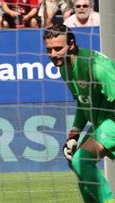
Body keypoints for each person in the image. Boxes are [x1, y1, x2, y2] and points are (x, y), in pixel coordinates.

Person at [44, 24, 115, 203]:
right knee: (77, 163)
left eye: (58, 48)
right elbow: (83, 102)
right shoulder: (63, 67)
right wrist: (74, 133)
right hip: (102, 122)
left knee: (81, 161)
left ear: (71, 44)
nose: (53, 54)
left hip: (112, 120)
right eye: (49, 49)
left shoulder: (96, 67)